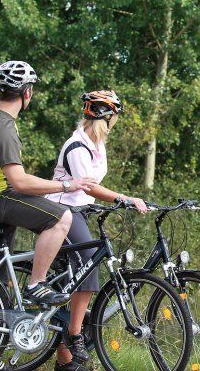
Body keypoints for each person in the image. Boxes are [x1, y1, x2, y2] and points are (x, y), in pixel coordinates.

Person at [0, 61, 98, 367]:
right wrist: (66, 183)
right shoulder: (4, 127)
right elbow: (19, 181)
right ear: (27, 92)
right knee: (60, 217)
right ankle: (36, 284)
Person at [45, 90, 148, 371]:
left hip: (79, 211)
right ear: (107, 117)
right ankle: (75, 335)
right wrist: (123, 198)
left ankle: (65, 361)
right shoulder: (78, 146)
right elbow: (87, 186)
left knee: (69, 282)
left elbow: (89, 191)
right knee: (90, 263)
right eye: (114, 116)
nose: (115, 122)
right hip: (61, 213)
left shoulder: (96, 145)